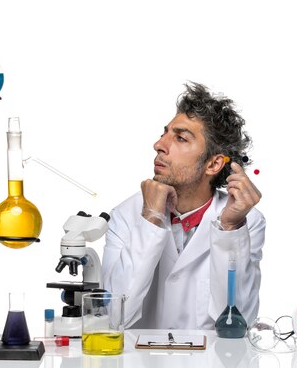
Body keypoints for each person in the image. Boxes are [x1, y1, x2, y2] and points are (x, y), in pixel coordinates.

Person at [101, 82, 265, 329]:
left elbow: (238, 322)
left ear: (213, 164)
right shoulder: (125, 215)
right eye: (164, 133)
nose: (159, 145)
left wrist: (231, 228)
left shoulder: (247, 222)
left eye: (180, 138)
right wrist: (150, 219)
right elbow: (114, 317)